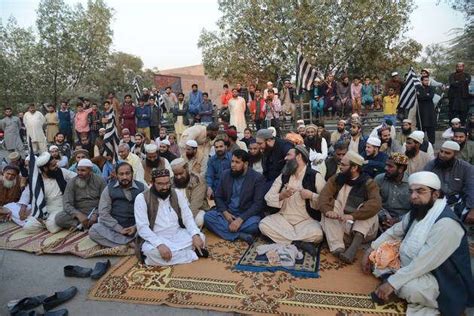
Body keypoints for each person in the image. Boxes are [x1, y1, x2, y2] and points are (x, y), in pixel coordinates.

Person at [363, 171, 474, 316]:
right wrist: (369, 249)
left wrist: (392, 283)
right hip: (409, 264)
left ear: (435, 194)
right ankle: (393, 277)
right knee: (376, 255)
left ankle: (435, 301)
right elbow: (395, 231)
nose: (413, 196)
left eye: (420, 191)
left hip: (439, 277)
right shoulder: (419, 210)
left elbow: (424, 262)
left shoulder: (447, 224)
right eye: (411, 191)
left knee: (409, 288)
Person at [319, 151, 382, 263]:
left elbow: (376, 204)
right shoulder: (337, 178)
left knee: (370, 209)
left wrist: (353, 216)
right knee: (330, 207)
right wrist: (328, 211)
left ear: (354, 168)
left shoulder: (368, 183)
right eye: (340, 164)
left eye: (343, 165)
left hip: (362, 231)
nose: (340, 167)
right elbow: (324, 195)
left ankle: (352, 249)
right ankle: (338, 248)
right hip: (341, 228)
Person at [260, 146, 325, 254]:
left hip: (306, 220)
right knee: (263, 225)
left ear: (299, 157)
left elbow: (326, 200)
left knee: (318, 234)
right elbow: (267, 198)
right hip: (283, 219)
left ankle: (285, 239)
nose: (285, 158)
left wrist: (311, 195)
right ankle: (299, 243)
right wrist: (282, 195)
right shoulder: (283, 176)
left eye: (289, 155)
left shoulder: (315, 176)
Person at [134, 168, 206, 266]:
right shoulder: (141, 198)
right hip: (156, 237)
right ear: (152, 183)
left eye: (167, 183)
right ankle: (191, 254)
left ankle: (176, 255)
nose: (165, 187)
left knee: (201, 237)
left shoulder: (176, 193)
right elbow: (142, 228)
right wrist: (160, 245)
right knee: (151, 253)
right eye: (160, 184)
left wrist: (195, 235)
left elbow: (187, 217)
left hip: (177, 234)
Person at [204, 150, 265, 243]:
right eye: (232, 161)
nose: (233, 165)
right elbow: (218, 196)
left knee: (255, 226)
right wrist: (226, 214)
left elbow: (258, 204)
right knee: (208, 217)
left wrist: (240, 219)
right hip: (228, 213)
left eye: (237, 162)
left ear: (245, 164)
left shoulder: (257, 178)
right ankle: (239, 235)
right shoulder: (225, 174)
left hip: (246, 215)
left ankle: (226, 230)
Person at [89, 162, 145, 248]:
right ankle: (129, 243)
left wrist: (135, 227)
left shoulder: (142, 187)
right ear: (116, 175)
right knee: (93, 231)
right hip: (116, 227)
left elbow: (150, 210)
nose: (125, 177)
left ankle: (123, 243)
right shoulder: (109, 189)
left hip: (138, 227)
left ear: (132, 173)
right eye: (121, 174)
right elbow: (103, 213)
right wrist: (119, 229)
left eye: (127, 173)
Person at [21, 152, 77, 234]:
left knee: (52, 227)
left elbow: (77, 177)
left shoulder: (61, 172)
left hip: (60, 206)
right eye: (53, 165)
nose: (57, 166)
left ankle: (49, 223)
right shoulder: (37, 179)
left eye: (56, 163)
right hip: (45, 207)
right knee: (27, 228)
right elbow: (29, 193)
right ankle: (46, 223)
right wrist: (38, 213)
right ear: (45, 168)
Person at [424, 141, 474, 221]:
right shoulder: (431, 165)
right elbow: (423, 183)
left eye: (447, 153)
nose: (442, 155)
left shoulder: (466, 168)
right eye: (441, 151)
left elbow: (471, 188)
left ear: (456, 154)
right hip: (435, 200)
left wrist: (472, 210)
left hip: (458, 202)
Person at [55, 159, 105, 230]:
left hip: (96, 210)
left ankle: (83, 225)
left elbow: (105, 200)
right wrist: (78, 214)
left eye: (83, 170)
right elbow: (67, 204)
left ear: (90, 171)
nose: (79, 173)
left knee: (113, 214)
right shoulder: (72, 182)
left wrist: (96, 214)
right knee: (59, 218)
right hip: (79, 211)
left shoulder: (100, 180)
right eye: (78, 170)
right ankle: (81, 224)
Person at [374, 153, 410, 230]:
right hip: (379, 218)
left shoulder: (411, 184)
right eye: (386, 165)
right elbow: (373, 201)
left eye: (390, 166)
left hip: (402, 222)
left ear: (401, 169)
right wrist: (383, 217)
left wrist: (397, 220)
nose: (386, 168)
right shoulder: (379, 179)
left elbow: (414, 211)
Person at [170, 158, 208, 227]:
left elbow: (195, 205)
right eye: (176, 174)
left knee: (200, 219)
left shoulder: (197, 180)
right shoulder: (172, 181)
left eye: (181, 173)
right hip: (178, 212)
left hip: (194, 210)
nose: (178, 177)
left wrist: (184, 221)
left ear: (187, 168)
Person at [416, 76, 437, 144]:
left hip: (430, 112)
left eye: (427, 80)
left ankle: (432, 144)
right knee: (421, 129)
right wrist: (426, 95)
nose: (427, 82)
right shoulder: (417, 88)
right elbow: (418, 97)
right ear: (421, 81)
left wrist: (422, 95)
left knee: (431, 129)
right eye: (425, 80)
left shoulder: (431, 88)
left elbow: (430, 96)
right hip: (421, 112)